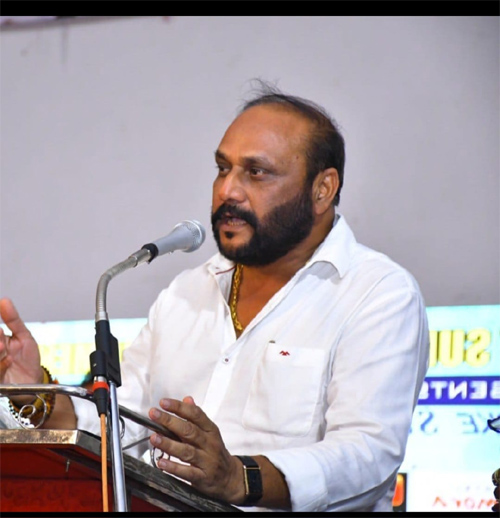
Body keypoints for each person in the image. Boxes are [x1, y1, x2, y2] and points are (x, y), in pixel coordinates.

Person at [0, 82, 429, 512]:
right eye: (223, 168)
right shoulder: (185, 294)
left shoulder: (377, 294)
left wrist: (239, 477)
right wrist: (33, 393)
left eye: (256, 172)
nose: (228, 191)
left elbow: (366, 454)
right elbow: (119, 427)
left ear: (323, 189)